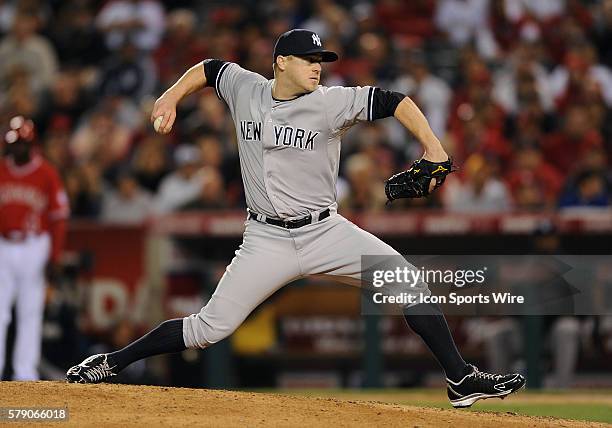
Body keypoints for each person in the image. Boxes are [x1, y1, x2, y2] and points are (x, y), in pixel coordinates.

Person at [66, 29, 525, 408]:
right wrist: (171, 94)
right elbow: (209, 69)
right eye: (308, 59)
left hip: (326, 230)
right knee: (209, 328)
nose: (317, 66)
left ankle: (460, 379)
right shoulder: (245, 88)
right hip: (265, 239)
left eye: (320, 59)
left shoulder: (330, 102)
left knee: (407, 282)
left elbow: (394, 100)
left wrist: (435, 148)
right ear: (281, 61)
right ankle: (112, 361)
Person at [0, 116, 69, 380]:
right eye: (14, 144)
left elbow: (59, 218)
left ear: (32, 144)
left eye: (22, 144)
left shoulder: (46, 173)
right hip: (4, 246)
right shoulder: (2, 168)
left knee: (30, 311)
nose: (17, 149)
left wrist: (54, 256)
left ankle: (25, 374)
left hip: (34, 246)